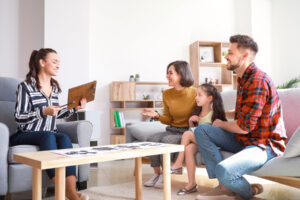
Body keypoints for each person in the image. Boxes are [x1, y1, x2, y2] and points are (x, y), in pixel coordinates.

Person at [194, 35, 287, 200]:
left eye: (230, 52)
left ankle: (248, 192)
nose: (225, 56)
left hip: (264, 145)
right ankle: (224, 187)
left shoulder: (257, 81)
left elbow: (244, 127)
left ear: (244, 56)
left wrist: (222, 124)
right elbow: (247, 114)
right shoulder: (243, 79)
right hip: (245, 139)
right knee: (202, 130)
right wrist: (225, 114)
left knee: (224, 170)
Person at [10, 48, 89, 200]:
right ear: (42, 62)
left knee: (64, 138)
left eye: (59, 62)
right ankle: (69, 194)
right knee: (48, 136)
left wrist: (74, 109)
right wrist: (42, 112)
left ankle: (71, 191)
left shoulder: (55, 88)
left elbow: (56, 113)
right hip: (24, 134)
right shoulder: (25, 87)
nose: (58, 65)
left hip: (48, 133)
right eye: (54, 61)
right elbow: (19, 117)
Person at [142, 60, 197, 188]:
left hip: (186, 132)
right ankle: (157, 174)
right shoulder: (166, 93)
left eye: (170, 73)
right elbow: (168, 119)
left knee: (166, 140)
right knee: (152, 139)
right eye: (167, 73)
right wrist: (157, 115)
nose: (167, 76)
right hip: (172, 128)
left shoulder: (195, 93)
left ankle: (166, 174)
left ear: (181, 74)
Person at [170, 84, 227, 195]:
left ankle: (178, 164)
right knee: (189, 149)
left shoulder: (214, 114)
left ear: (210, 98)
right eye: (196, 95)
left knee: (186, 134)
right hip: (199, 141)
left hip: (212, 143)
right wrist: (191, 123)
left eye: (200, 95)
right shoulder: (198, 113)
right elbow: (195, 132)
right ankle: (191, 184)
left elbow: (216, 134)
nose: (196, 97)